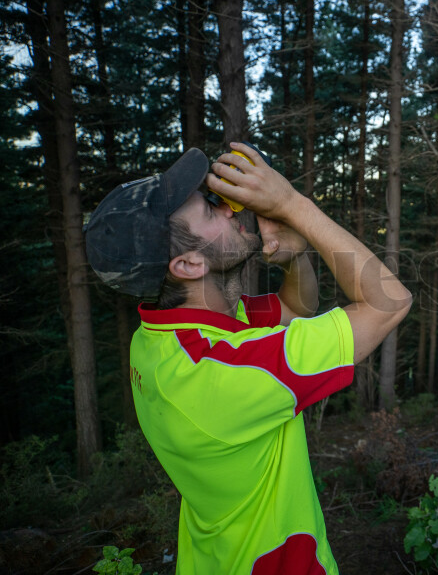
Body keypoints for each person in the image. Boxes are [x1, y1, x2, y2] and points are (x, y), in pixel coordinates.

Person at [84, 143, 412, 574]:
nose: (229, 210)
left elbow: (295, 310)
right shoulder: (221, 375)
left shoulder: (173, 336)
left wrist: (294, 256)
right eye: (209, 210)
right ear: (187, 264)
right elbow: (389, 303)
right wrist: (294, 205)